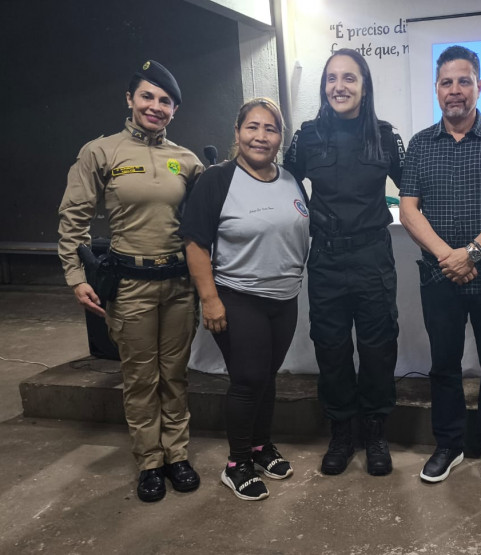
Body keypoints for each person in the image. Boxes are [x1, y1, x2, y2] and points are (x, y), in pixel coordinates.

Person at [57, 60, 203, 502]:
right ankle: (150, 462)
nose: (155, 107)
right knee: (140, 378)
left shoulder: (188, 161)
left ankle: (177, 455)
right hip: (130, 286)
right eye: (147, 97)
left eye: (165, 101)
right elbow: (73, 218)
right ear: (130, 99)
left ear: (174, 109)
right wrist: (75, 274)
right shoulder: (100, 152)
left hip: (178, 285)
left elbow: (205, 223)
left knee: (175, 376)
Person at [400, 45, 481, 491]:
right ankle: (449, 444)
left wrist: (470, 253)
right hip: (440, 279)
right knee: (444, 366)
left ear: (478, 85)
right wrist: (447, 257)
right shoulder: (419, 145)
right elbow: (409, 211)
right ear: (437, 89)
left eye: (463, 81)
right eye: (446, 82)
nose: (455, 90)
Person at [180, 98, 309, 501]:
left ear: (280, 138)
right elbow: (196, 243)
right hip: (239, 296)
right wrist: (210, 299)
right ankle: (237, 464)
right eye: (252, 127)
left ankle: (260, 445)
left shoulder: (290, 180)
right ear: (237, 133)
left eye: (270, 129)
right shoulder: (218, 180)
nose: (261, 136)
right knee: (248, 379)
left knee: (266, 378)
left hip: (284, 298)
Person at [285, 49, 405, 477]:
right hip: (327, 258)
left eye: (350, 78)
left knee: (378, 348)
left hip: (373, 255)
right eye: (332, 78)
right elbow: (285, 187)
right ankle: (342, 432)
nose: (340, 86)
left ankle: (374, 432)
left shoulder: (386, 137)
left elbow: (411, 191)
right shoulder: (307, 136)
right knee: (331, 348)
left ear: (364, 86)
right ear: (324, 87)